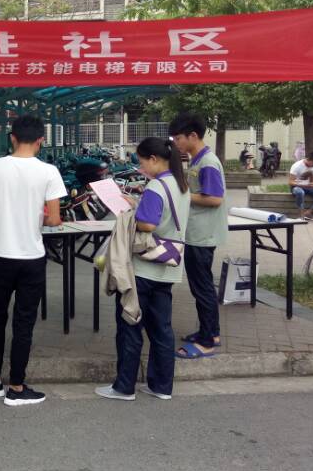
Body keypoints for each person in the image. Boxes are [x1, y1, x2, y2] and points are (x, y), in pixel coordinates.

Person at [0, 115, 66, 406]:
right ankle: (17, 387)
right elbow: (54, 219)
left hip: (0, 255)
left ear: (12, 138)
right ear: (40, 141)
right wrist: (36, 215)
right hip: (32, 258)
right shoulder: (49, 172)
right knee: (24, 322)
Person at [96, 137, 190, 402]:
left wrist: (129, 212)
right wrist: (138, 204)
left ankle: (124, 387)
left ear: (154, 159)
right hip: (168, 268)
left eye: (142, 161)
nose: (141, 167)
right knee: (162, 329)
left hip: (143, 270)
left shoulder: (156, 187)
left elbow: (148, 225)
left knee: (130, 325)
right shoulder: (181, 185)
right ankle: (161, 386)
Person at [169, 113, 228, 359]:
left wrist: (180, 196)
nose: (176, 144)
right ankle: (211, 333)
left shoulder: (208, 163)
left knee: (202, 288)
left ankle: (207, 343)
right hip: (197, 232)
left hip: (202, 236)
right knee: (201, 286)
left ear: (193, 135)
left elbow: (214, 199)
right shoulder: (197, 159)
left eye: (178, 138)